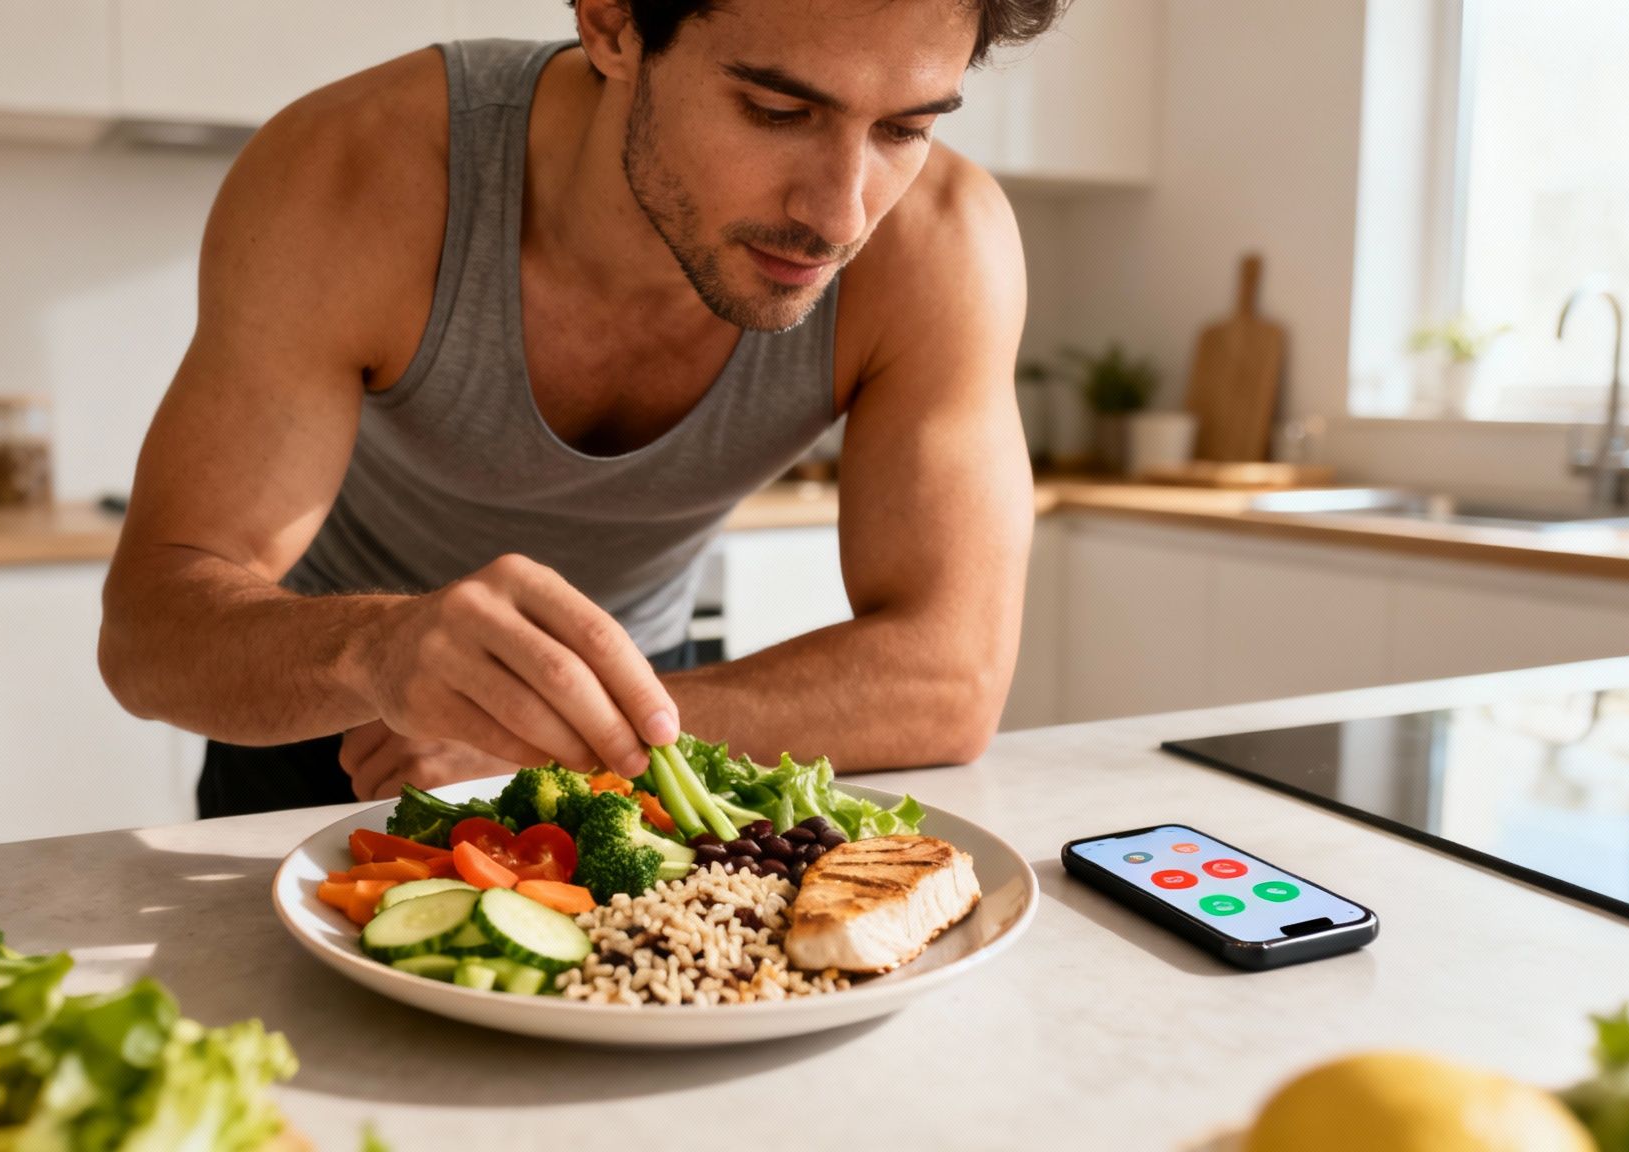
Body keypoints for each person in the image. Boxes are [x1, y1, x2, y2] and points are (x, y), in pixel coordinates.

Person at [99, 0, 1055, 817]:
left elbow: (950, 680)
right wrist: (378, 651)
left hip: (664, 719)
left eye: (906, 130)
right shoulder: (354, 174)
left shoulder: (941, 245)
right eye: (775, 110)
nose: (842, 218)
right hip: (331, 716)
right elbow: (150, 631)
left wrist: (577, 739)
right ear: (612, 24)